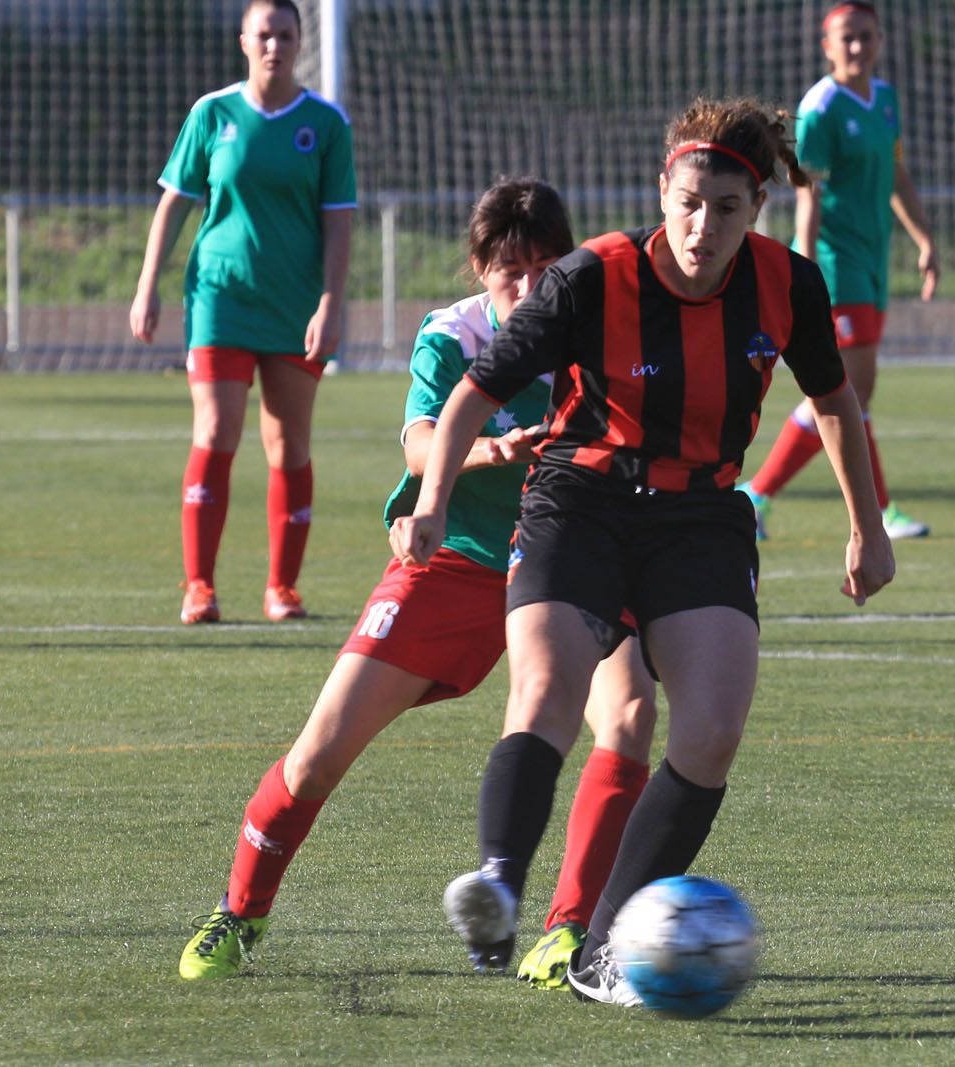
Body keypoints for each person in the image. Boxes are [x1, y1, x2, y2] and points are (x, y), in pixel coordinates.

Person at [394, 96, 895, 1008]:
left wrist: (866, 525)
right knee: (545, 690)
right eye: (689, 200)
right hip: (579, 498)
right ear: (662, 189)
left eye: (728, 208)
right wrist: (431, 501)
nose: (704, 226)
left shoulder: (789, 284)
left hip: (699, 514)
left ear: (757, 211)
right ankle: (498, 889)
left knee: (710, 731)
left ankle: (603, 949)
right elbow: (473, 392)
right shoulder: (591, 277)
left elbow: (832, 401)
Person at [176, 179, 658, 982]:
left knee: (631, 714)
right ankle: (239, 911)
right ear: (479, 269)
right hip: (458, 555)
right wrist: (483, 453)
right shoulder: (453, 335)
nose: (532, 286)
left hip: (577, 555)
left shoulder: (598, 330)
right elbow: (419, 440)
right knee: (317, 756)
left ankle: (565, 932)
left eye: (546, 266)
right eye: (511, 270)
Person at [129, 0, 355, 624]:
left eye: (286, 34)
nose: (275, 45)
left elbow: (339, 225)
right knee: (215, 431)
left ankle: (282, 588)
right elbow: (174, 204)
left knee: (288, 445)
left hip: (294, 305)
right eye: (265, 34)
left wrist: (331, 304)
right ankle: (198, 586)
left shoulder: (326, 124)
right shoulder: (213, 113)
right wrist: (148, 282)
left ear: (299, 41)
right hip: (220, 298)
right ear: (244, 42)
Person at [738, 0, 938, 542]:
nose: (857, 46)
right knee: (849, 388)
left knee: (850, 392)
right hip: (835, 262)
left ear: (879, 40)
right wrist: (803, 268)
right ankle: (761, 496)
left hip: (873, 263)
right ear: (826, 47)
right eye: (846, 37)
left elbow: (897, 174)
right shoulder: (820, 108)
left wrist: (924, 240)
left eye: (865, 36)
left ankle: (775, 498)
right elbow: (808, 194)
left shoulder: (885, 100)